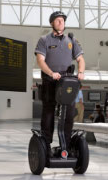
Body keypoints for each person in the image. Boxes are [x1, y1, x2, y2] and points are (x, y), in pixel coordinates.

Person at [35, 11, 85, 154]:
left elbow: (80, 59)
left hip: (67, 81)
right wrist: (51, 73)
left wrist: (80, 72)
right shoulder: (44, 40)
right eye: (57, 20)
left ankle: (66, 144)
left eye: (62, 20)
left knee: (69, 113)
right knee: (49, 112)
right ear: (52, 23)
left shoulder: (71, 40)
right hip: (50, 80)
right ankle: (45, 143)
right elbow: (40, 60)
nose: (60, 22)